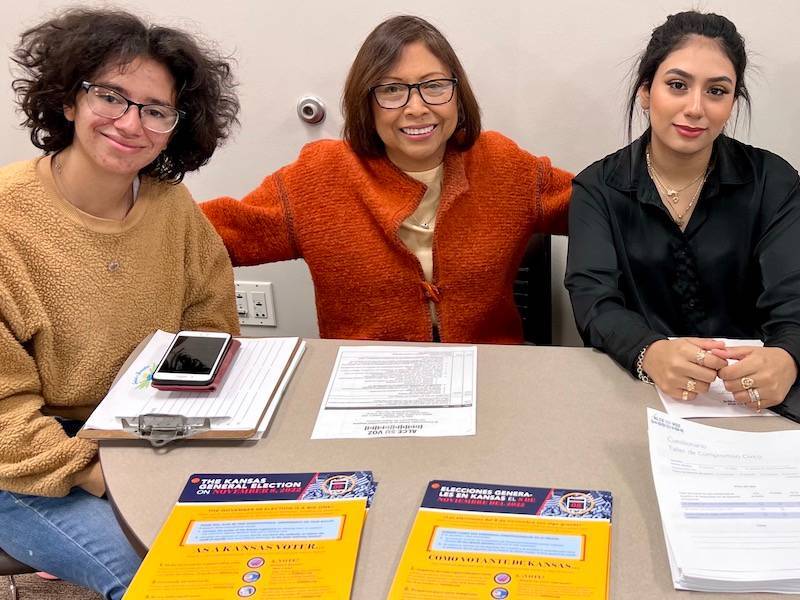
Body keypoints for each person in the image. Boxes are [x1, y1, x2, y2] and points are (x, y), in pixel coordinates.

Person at [0, 8, 239, 599]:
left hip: (142, 434)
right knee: (160, 580)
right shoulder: (9, 220)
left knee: (248, 551)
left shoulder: (173, 207)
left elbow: (210, 329)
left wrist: (170, 439)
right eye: (111, 96)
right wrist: (105, 474)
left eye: (155, 110)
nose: (131, 123)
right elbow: (5, 420)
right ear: (68, 100)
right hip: (27, 463)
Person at [202, 15, 571, 344]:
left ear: (458, 94)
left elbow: (599, 205)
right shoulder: (318, 176)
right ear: (367, 103)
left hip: (490, 375)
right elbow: (208, 237)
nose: (416, 107)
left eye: (434, 85)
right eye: (392, 89)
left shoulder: (503, 164)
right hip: (366, 386)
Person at [565, 11, 800, 412]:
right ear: (645, 91)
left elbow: (793, 296)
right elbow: (594, 301)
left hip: (753, 399)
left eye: (716, 91)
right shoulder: (598, 188)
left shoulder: (773, 181)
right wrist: (649, 351)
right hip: (638, 390)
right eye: (677, 85)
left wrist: (788, 356)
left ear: (732, 101)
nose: (695, 108)